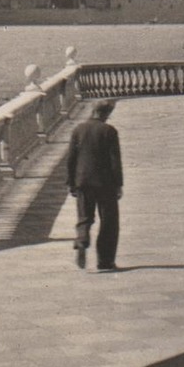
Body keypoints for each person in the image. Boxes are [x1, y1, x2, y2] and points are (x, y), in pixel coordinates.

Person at [66, 100, 124, 271]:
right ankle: (105, 261)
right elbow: (115, 161)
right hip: (105, 183)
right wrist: (118, 184)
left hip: (83, 181)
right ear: (105, 114)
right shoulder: (109, 131)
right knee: (109, 222)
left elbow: (71, 159)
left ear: (93, 111)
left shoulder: (78, 130)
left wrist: (71, 182)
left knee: (84, 217)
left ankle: (82, 241)